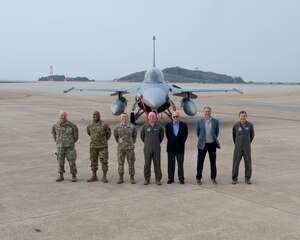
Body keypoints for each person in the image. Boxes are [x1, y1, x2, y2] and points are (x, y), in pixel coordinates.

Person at [52, 111, 79, 182]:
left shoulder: (72, 125)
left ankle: (73, 175)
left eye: (64, 115)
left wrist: (70, 142)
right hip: (60, 147)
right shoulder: (55, 125)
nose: (63, 117)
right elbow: (54, 135)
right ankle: (61, 175)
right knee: (60, 162)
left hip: (69, 147)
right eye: (62, 115)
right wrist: (59, 142)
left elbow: (76, 136)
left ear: (66, 116)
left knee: (72, 162)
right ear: (59, 116)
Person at [196, 106, 220, 185]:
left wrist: (212, 140)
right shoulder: (199, 121)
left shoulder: (215, 121)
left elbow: (216, 133)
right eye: (206, 111)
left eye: (208, 111)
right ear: (204, 112)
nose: (207, 113)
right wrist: (202, 139)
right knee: (200, 162)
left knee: (213, 162)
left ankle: (213, 178)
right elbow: (198, 133)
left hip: (212, 144)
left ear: (211, 112)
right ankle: (198, 178)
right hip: (202, 144)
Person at [140, 112, 164, 185]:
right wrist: (148, 143)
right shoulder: (145, 126)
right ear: (148, 117)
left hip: (156, 147)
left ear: (155, 117)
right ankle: (147, 179)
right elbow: (142, 136)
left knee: (157, 163)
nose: (151, 118)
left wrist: (156, 143)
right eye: (150, 116)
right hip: (147, 148)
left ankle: (158, 179)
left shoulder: (159, 126)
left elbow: (161, 136)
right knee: (147, 163)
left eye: (153, 116)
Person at [86, 111, 111, 183]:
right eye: (94, 114)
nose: (95, 115)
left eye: (97, 114)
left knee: (104, 162)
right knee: (93, 162)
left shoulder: (104, 124)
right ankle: (94, 176)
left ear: (99, 115)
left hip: (103, 147)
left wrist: (103, 141)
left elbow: (108, 134)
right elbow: (89, 133)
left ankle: (104, 176)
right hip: (93, 146)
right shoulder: (90, 125)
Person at [113, 112, 137, 184]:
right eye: (123, 117)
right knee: (120, 163)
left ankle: (132, 177)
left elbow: (134, 136)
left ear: (127, 118)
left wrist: (131, 143)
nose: (124, 118)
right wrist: (120, 143)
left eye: (125, 117)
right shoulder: (117, 127)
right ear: (121, 118)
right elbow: (116, 136)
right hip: (121, 148)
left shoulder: (132, 127)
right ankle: (121, 177)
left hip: (130, 148)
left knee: (131, 163)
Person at [232, 110, 255, 184]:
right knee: (236, 163)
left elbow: (252, 135)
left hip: (247, 148)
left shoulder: (250, 125)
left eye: (244, 116)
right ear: (239, 117)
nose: (243, 117)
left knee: (248, 163)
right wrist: (237, 144)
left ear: (246, 116)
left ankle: (247, 178)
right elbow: (234, 136)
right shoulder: (235, 126)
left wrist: (247, 143)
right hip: (238, 148)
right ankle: (234, 178)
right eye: (242, 116)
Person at [165, 111, 188, 184]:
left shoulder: (183, 125)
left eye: (176, 116)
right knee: (171, 164)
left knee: (180, 164)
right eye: (174, 117)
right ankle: (170, 178)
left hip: (180, 147)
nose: (175, 118)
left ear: (179, 117)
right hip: (171, 147)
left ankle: (181, 178)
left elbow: (185, 135)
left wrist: (181, 142)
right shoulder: (168, 125)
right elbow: (168, 135)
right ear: (172, 117)